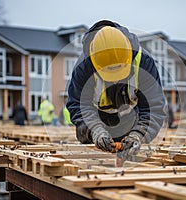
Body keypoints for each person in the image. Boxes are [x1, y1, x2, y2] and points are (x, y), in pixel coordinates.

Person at [67, 20, 166, 159]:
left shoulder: (143, 62)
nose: (115, 80)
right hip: (95, 118)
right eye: (110, 75)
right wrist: (94, 130)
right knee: (95, 158)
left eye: (119, 74)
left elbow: (154, 107)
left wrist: (139, 134)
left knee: (128, 153)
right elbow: (78, 105)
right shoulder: (83, 67)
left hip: (130, 118)